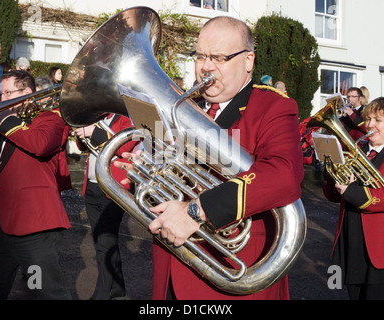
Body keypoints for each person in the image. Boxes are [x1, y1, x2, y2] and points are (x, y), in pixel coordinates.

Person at [116, 16, 303, 300]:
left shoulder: (273, 106)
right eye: (201, 55)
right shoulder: (183, 105)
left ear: (248, 61)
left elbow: (284, 174)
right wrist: (144, 172)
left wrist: (196, 211)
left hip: (231, 272)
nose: (206, 66)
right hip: (171, 266)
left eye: (219, 57)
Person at [0, 70, 72, 299]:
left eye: (7, 93)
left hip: (33, 225)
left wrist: (7, 122)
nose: (0, 100)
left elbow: (41, 145)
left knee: (42, 289)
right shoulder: (2, 124)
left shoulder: (49, 119)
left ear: (26, 93)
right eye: (0, 94)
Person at [323, 97, 384, 300]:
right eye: (368, 119)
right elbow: (333, 196)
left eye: (377, 120)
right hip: (352, 243)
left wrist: (353, 192)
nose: (370, 125)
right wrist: (331, 171)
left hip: (382, 251)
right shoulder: (359, 151)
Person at [72, 114, 137, 300]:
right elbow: (81, 147)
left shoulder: (126, 118)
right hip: (93, 185)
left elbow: (124, 147)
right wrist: (82, 132)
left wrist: (94, 131)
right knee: (101, 241)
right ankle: (116, 288)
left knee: (105, 242)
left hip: (114, 187)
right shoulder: (96, 117)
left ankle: (103, 293)